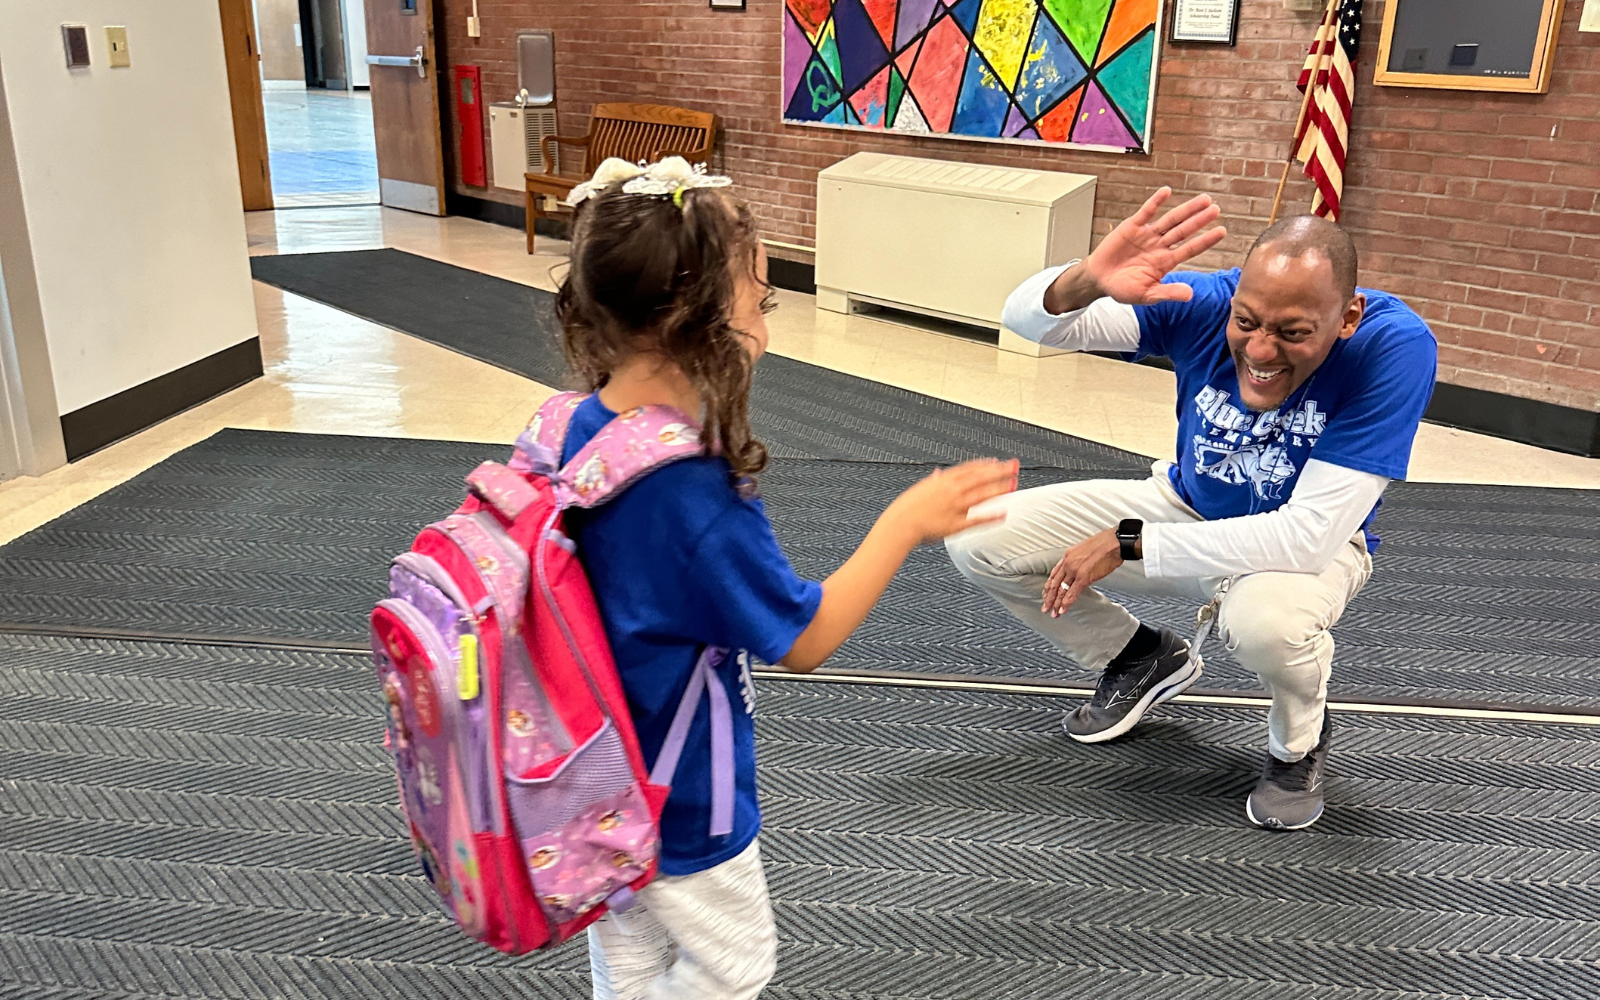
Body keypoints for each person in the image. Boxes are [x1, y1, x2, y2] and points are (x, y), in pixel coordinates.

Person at [553, 158, 1018, 999]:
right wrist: (903, 521)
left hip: (593, 769)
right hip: (679, 790)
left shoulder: (573, 426)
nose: (762, 324)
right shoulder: (691, 495)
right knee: (732, 966)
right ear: (705, 324)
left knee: (630, 938)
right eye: (756, 301)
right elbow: (804, 637)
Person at [946, 187, 1437, 831]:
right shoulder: (1205, 304)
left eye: (1293, 333)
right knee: (980, 538)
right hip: (1184, 505)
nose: (1260, 351)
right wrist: (1086, 279)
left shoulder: (1393, 347)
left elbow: (1308, 537)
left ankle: (1297, 745)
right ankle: (1139, 656)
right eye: (1248, 322)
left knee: (1266, 624)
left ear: (1347, 318)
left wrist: (1128, 542)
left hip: (1307, 549)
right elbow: (1030, 321)